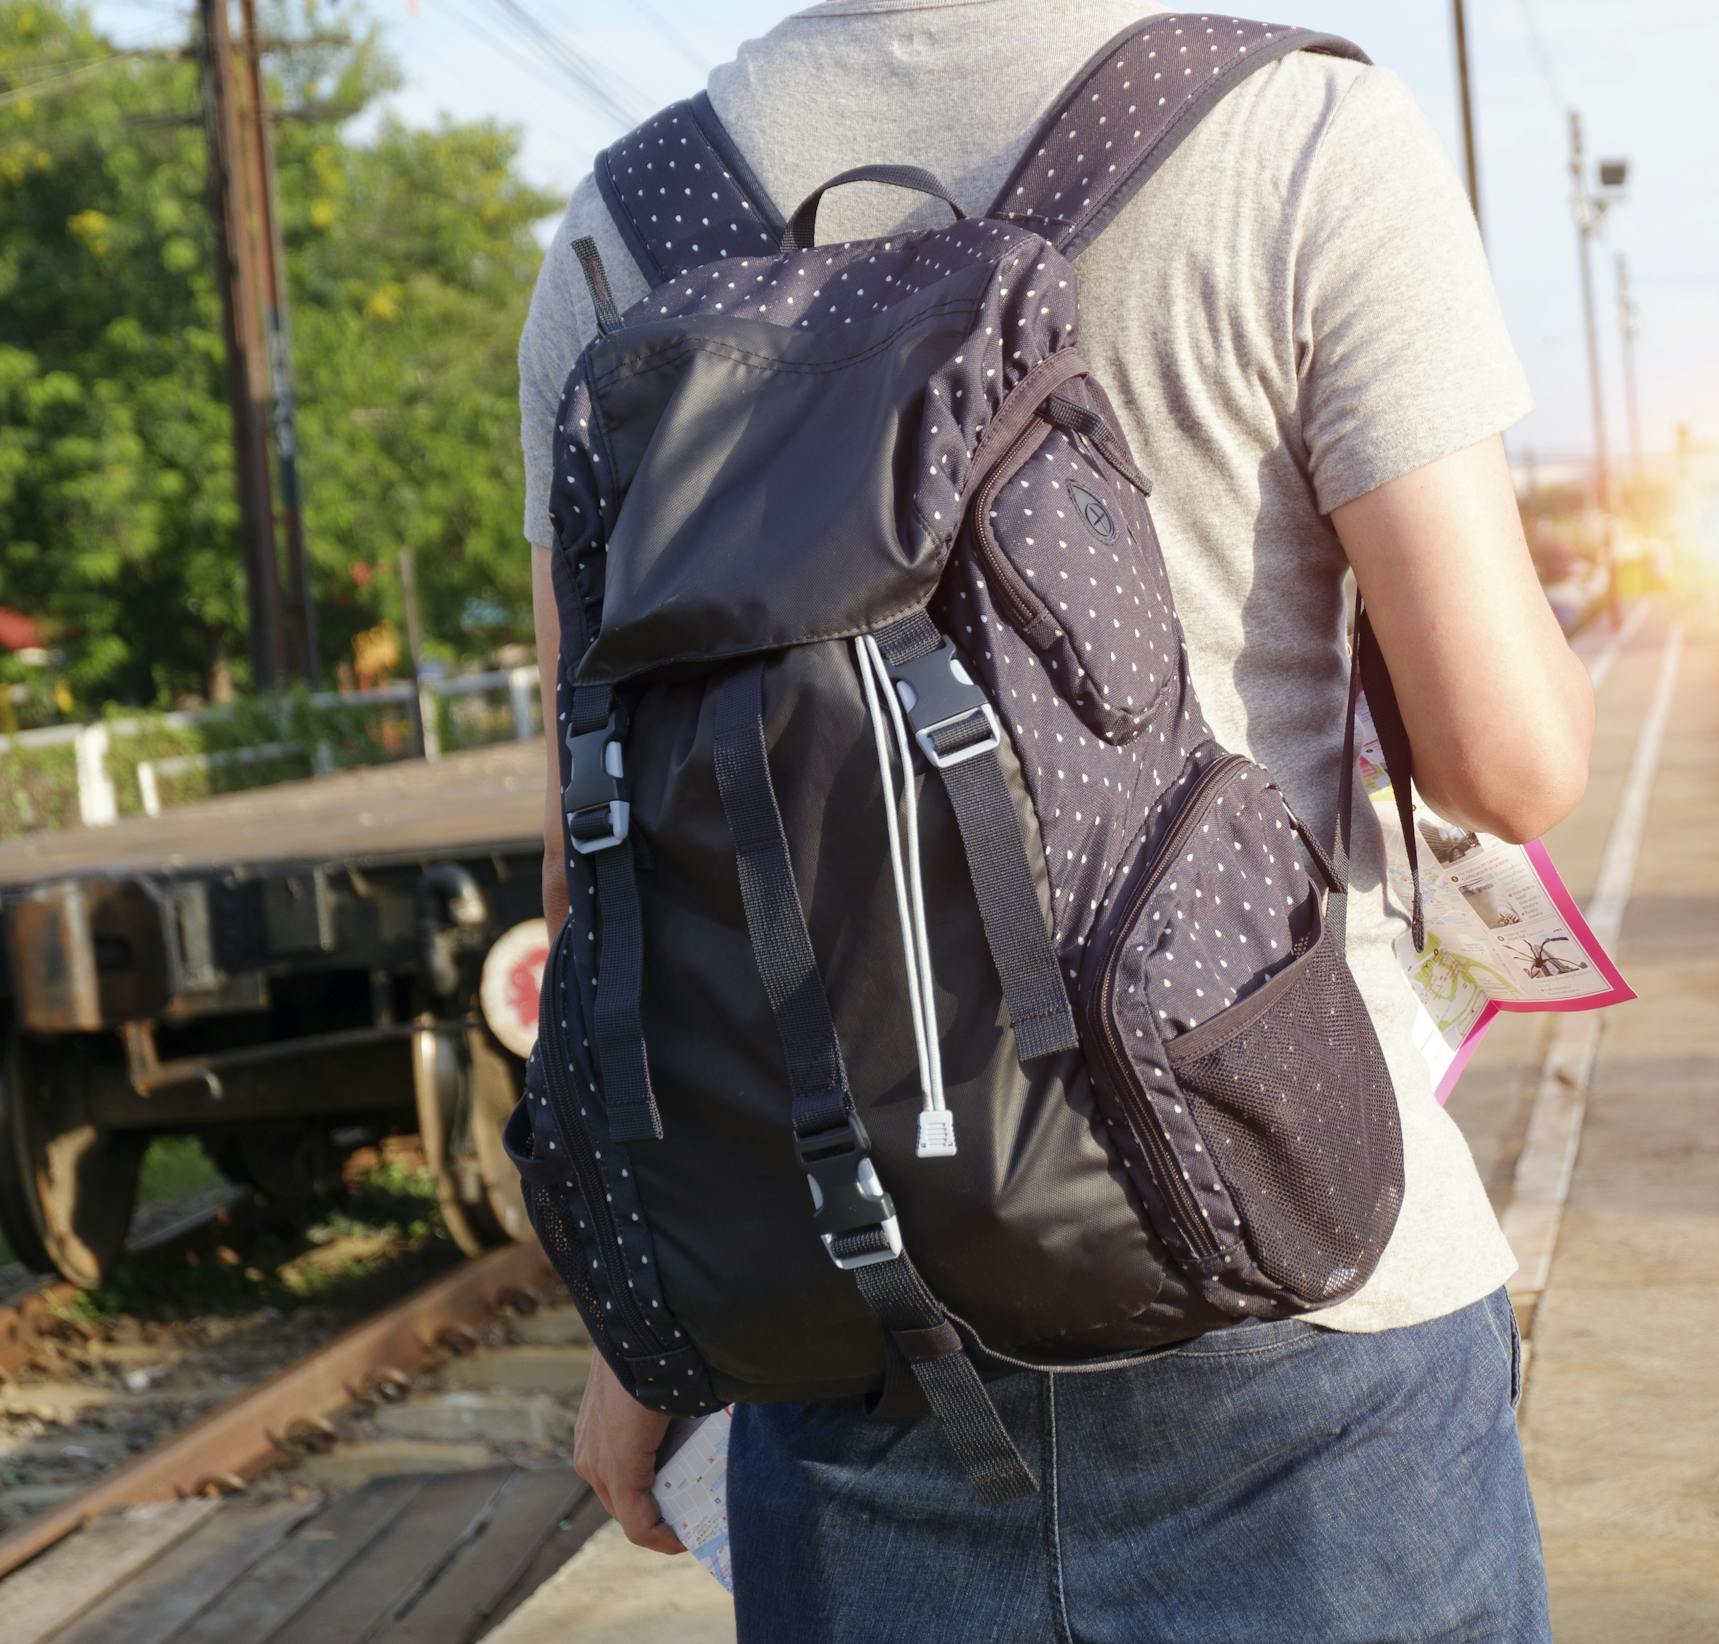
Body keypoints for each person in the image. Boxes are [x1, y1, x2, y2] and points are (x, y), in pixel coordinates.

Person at [515, 5, 1592, 1640]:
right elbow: (1509, 762)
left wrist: (636, 1335)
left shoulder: (615, 240)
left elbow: (613, 883)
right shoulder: (1299, 130)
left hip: (853, 1319)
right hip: (1306, 1298)